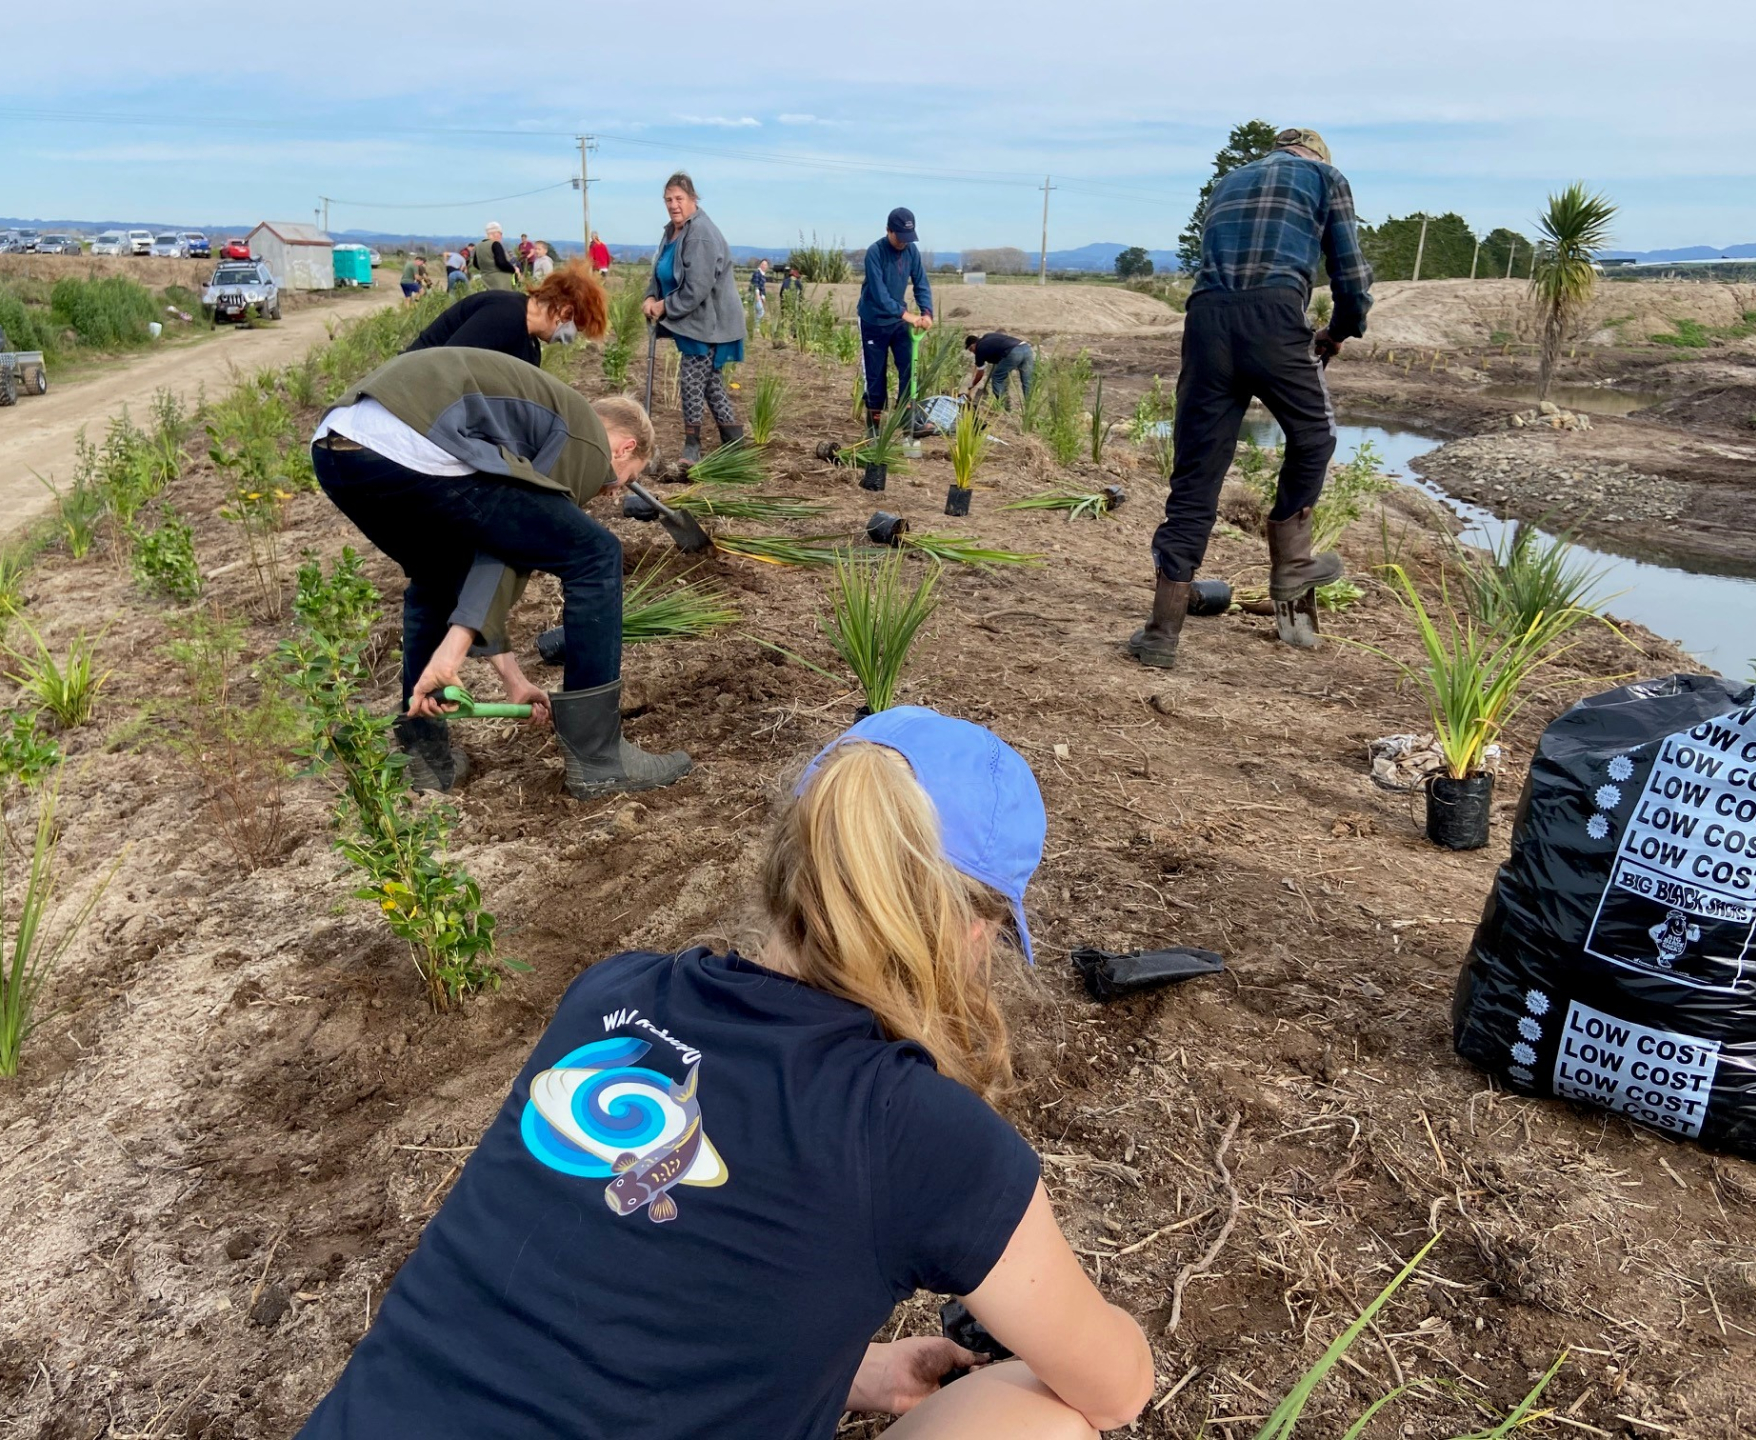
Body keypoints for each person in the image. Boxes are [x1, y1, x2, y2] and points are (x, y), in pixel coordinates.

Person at [292, 706, 1155, 1440]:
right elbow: (1116, 1389)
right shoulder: (919, 1132)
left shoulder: (610, 996)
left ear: (794, 853)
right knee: (1046, 1415)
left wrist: (847, 1371)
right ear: (971, 930)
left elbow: (611, 1285)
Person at [310, 347, 691, 798]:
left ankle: (426, 758)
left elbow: (485, 559)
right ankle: (599, 759)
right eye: (627, 477)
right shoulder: (586, 440)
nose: (613, 492)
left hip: (341, 447)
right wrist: (453, 654)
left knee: (435, 579)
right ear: (625, 447)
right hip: (412, 442)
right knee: (595, 553)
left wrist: (514, 679)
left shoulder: (537, 421)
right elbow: (509, 551)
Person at [1131, 126, 1374, 668]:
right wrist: (1339, 330)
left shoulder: (1228, 181)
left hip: (1206, 320)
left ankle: (1160, 636)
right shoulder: (1324, 177)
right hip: (1274, 317)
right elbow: (1351, 277)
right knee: (1315, 436)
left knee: (1196, 476)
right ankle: (1291, 567)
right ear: (1315, 154)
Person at [643, 172, 747, 464]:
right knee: (710, 383)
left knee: (690, 381)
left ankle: (692, 447)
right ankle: (734, 442)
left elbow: (697, 287)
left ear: (692, 199)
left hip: (708, 322)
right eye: (668, 200)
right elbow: (660, 270)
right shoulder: (672, 231)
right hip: (692, 320)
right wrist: (650, 297)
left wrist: (665, 306)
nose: (673, 205)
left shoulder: (700, 233)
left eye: (679, 199)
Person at [406, 260, 608, 367]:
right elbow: (448, 367)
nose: (570, 338)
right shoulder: (504, 314)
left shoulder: (530, 348)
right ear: (565, 312)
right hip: (407, 389)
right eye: (577, 329)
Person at [858, 208, 939, 438]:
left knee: (909, 369)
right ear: (888, 231)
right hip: (873, 320)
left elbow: (921, 282)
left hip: (899, 322)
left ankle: (908, 420)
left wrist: (927, 313)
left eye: (908, 239)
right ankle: (873, 429)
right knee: (875, 375)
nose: (904, 243)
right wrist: (907, 316)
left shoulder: (911, 251)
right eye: (900, 238)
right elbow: (879, 293)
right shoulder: (875, 252)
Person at [964, 332, 1034, 407]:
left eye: (971, 350)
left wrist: (972, 384)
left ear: (973, 345)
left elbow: (980, 374)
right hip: (1026, 348)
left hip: (1013, 352)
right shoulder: (988, 336)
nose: (973, 352)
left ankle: (1004, 407)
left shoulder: (979, 349)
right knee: (1027, 381)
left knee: (997, 379)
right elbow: (998, 350)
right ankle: (1030, 408)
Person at [470, 222, 521, 292]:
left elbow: (476, 263)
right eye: (500, 234)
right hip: (501, 283)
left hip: (486, 281)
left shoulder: (478, 246)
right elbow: (501, 263)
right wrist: (513, 269)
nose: (501, 236)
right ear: (495, 233)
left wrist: (487, 269)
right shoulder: (495, 244)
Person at [749, 257, 771, 329]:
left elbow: (762, 287)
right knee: (761, 312)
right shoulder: (757, 273)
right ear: (760, 265)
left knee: (758, 311)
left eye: (765, 265)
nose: (764, 266)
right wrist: (757, 295)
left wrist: (763, 296)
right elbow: (755, 285)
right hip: (755, 295)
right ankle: (756, 327)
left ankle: (755, 326)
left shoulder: (762, 275)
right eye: (763, 264)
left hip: (759, 295)